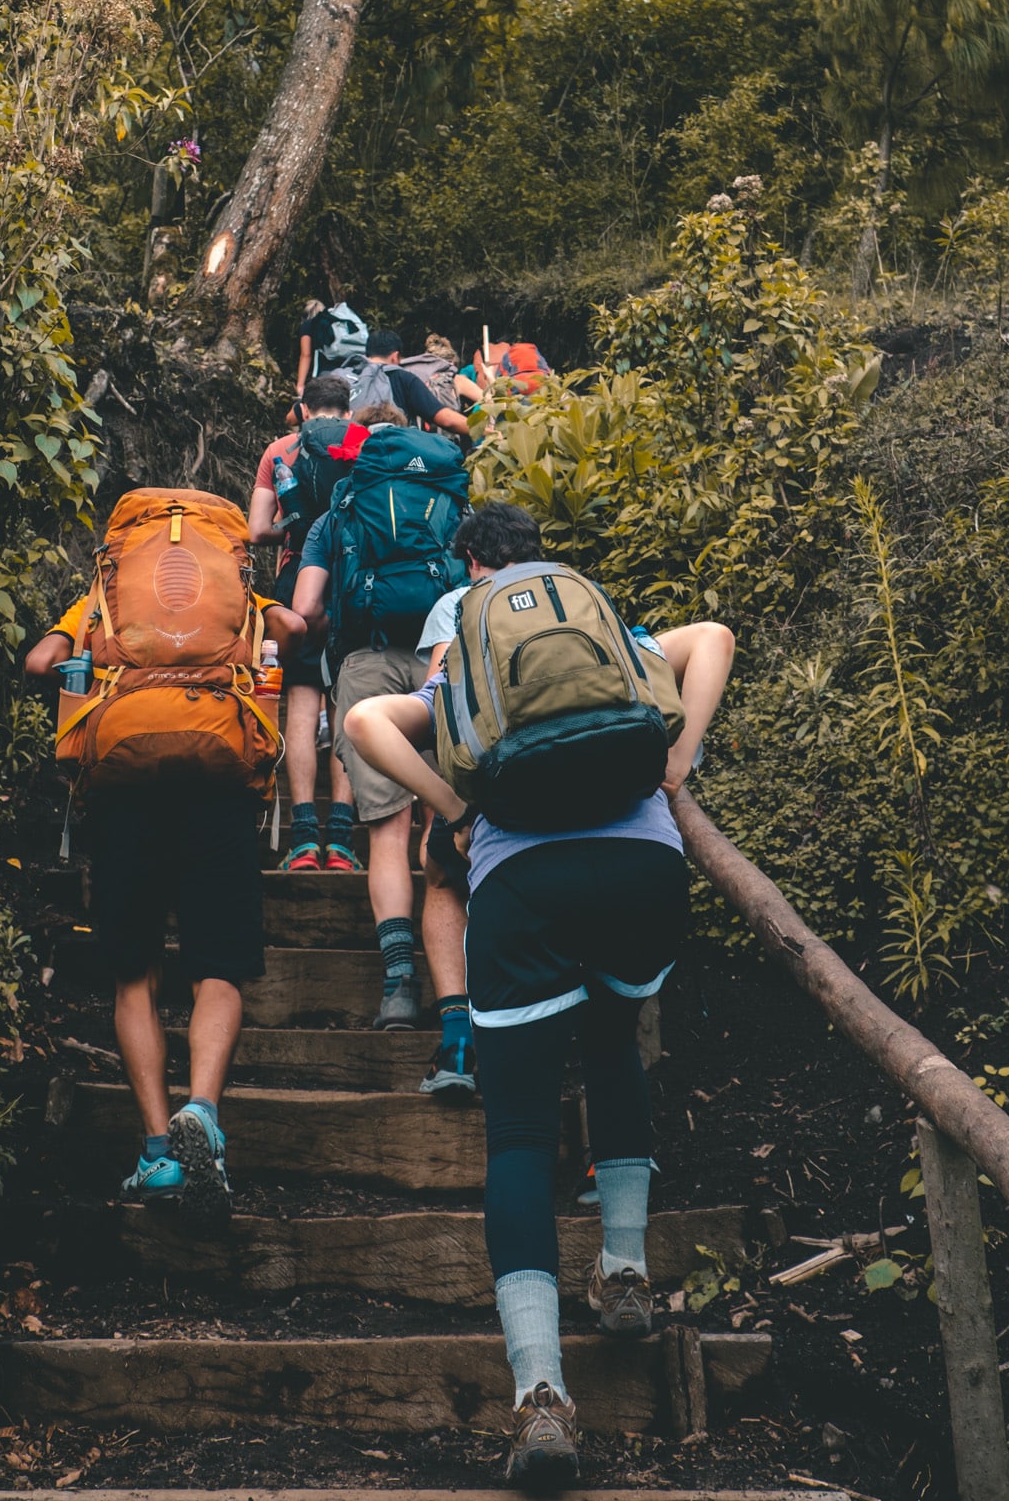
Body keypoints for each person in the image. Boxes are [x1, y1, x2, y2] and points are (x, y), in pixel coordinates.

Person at [341, 528, 735, 1489]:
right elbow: (713, 636)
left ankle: (541, 1399)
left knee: (517, 1132)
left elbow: (363, 729)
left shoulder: (469, 652)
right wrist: (675, 759)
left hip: (522, 883)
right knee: (615, 1053)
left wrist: (456, 809)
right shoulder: (609, 635)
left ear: (475, 579)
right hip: (644, 868)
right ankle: (628, 1268)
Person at [25, 543, 307, 1226]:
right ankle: (202, 1112)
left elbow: (40, 661)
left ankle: (156, 1152)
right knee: (220, 966)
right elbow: (294, 631)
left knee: (134, 973)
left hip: (123, 790)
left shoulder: (106, 592)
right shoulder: (234, 589)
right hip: (218, 784)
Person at [293, 417, 469, 1030]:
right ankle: (458, 971)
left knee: (387, 831)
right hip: (443, 659)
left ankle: (399, 978)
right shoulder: (447, 502)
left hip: (365, 667)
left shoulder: (336, 514)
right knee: (439, 813)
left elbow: (307, 608)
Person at [413, 502, 545, 1100]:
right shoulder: (573, 592)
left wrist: (445, 804)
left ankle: (458, 1036)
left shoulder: (460, 603)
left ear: (471, 558)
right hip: (572, 777)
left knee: (441, 874)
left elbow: (438, 701)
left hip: (491, 785)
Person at [248, 374, 360, 872]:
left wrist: (294, 527)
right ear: (348, 411)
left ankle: (303, 840)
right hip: (356, 581)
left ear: (303, 408)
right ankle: (341, 841)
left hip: (298, 583)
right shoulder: (363, 444)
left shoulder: (279, 449)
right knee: (348, 701)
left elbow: (256, 530)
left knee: (302, 699)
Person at [348, 329, 471, 438]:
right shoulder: (402, 378)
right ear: (395, 357)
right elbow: (446, 420)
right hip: (389, 454)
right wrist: (483, 430)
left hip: (346, 453)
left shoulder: (346, 376)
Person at [296, 297, 367, 395]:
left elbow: (306, 354)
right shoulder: (338, 322)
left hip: (327, 373)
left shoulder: (308, 325)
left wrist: (300, 385)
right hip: (352, 372)